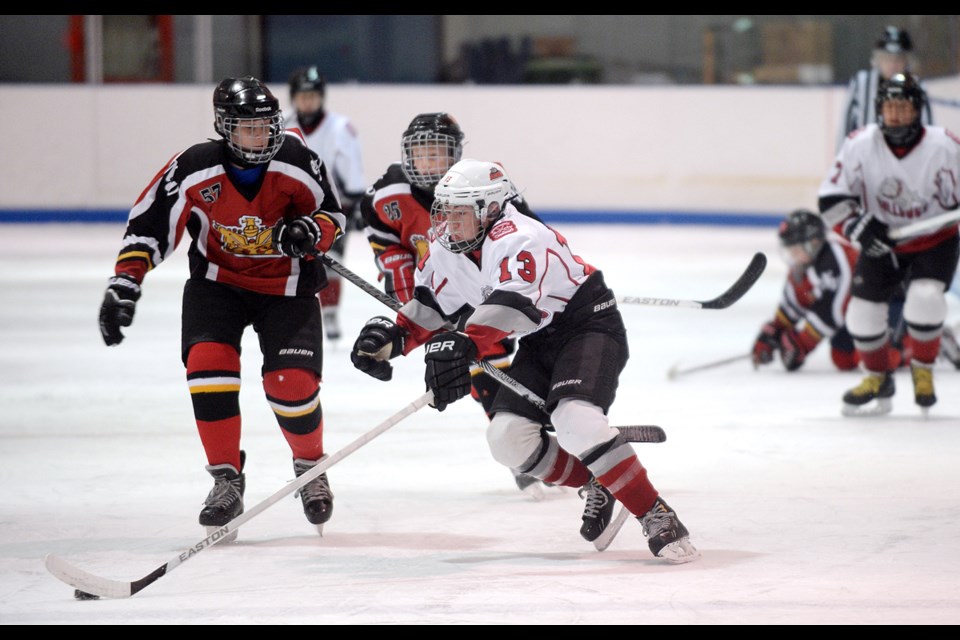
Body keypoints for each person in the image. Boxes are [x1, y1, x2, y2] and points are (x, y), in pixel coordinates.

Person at [350, 158, 699, 563]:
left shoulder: (519, 237)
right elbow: (433, 304)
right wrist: (393, 339)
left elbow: (512, 306)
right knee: (506, 440)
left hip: (588, 327)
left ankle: (655, 512)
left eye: (458, 212)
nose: (446, 223)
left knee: (576, 422)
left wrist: (466, 344)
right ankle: (600, 480)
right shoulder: (448, 247)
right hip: (538, 339)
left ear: (491, 209)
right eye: (442, 211)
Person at [97, 76, 347, 540]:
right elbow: (150, 224)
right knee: (208, 368)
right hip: (218, 285)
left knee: (290, 385)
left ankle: (311, 465)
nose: (261, 136)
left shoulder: (297, 159)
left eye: (266, 126)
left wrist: (312, 232)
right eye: (248, 128)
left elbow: (332, 213)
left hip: (286, 286)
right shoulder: (193, 166)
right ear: (223, 128)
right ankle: (226, 478)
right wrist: (125, 282)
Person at [358, 112, 546, 498]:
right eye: (421, 155)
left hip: (482, 286)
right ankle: (523, 446)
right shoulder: (384, 195)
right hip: (434, 290)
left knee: (489, 354)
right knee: (471, 360)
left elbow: (526, 235)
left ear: (456, 155)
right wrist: (404, 285)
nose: (429, 165)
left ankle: (527, 442)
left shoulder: (483, 183)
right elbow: (386, 242)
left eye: (438, 155)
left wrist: (502, 285)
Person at [818, 72, 960, 417]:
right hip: (883, 244)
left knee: (925, 300)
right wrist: (859, 228)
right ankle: (877, 379)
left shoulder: (945, 146)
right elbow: (831, 199)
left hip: (933, 241)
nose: (895, 115)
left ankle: (923, 372)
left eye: (903, 107)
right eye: (889, 107)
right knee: (861, 316)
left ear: (917, 110)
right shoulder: (860, 143)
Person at [284, 66, 366, 341]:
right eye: (302, 96)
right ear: (294, 98)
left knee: (330, 261)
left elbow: (352, 167)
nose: (307, 102)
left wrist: (354, 200)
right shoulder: (284, 126)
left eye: (313, 96)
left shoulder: (340, 127)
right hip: (294, 204)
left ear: (322, 97)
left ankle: (329, 312)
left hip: (331, 205)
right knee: (293, 259)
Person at [752, 209, 861, 372]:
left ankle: (904, 347)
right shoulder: (802, 267)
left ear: (814, 242)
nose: (792, 255)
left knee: (871, 356)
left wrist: (802, 342)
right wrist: (774, 331)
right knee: (843, 358)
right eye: (789, 250)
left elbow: (835, 309)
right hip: (853, 320)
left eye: (795, 249)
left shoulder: (837, 258)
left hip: (888, 307)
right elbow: (794, 303)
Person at [837, 25, 933, 152]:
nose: (893, 65)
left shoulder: (916, 86)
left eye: (898, 59)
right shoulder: (861, 83)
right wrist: (842, 160)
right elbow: (846, 127)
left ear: (907, 61)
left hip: (908, 161)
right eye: (887, 58)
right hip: (866, 158)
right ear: (878, 60)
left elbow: (928, 128)